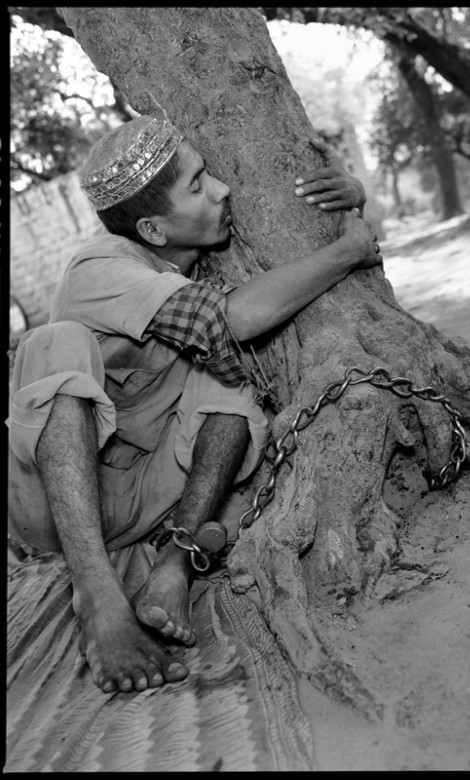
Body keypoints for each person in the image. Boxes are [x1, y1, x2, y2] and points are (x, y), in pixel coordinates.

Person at [6, 115, 382, 695]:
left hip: (154, 497)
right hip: (57, 502)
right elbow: (234, 317)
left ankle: (174, 566)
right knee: (55, 343)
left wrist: (351, 196)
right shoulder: (99, 268)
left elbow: (251, 303)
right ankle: (97, 595)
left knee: (231, 374)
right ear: (154, 230)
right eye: (198, 185)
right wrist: (348, 250)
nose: (223, 191)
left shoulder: (196, 257)